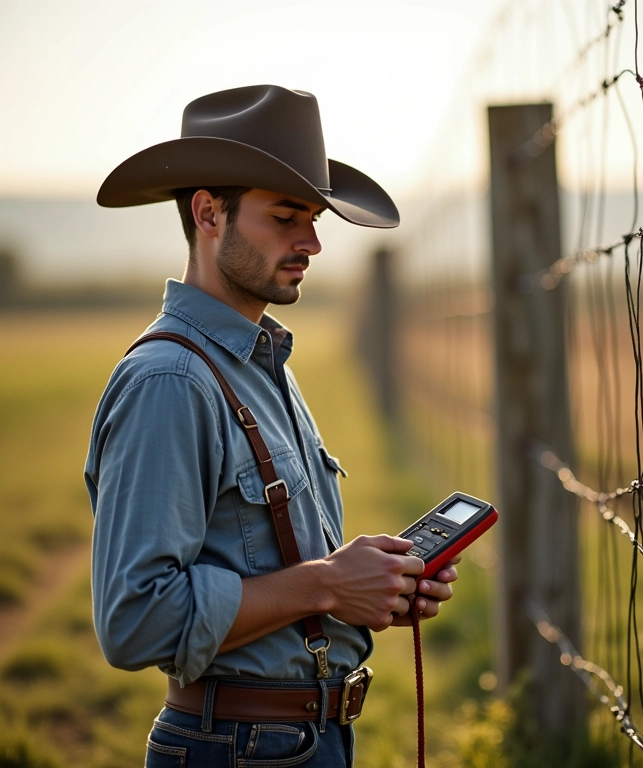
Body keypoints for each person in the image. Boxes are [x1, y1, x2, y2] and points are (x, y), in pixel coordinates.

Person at [85, 84, 459, 767]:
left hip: (297, 740)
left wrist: (366, 587)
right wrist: (325, 584)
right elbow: (135, 621)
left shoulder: (260, 362)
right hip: (237, 748)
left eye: (313, 218)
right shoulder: (172, 381)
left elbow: (267, 563)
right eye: (286, 217)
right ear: (208, 214)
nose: (312, 242)